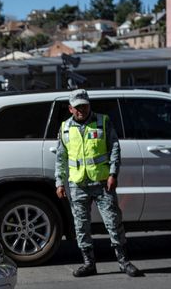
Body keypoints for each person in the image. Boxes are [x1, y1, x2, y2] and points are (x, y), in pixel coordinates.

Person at [55, 89, 142, 277]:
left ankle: (123, 262)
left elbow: (115, 148)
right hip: (77, 184)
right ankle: (88, 263)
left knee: (113, 222)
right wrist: (59, 182)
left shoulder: (103, 122)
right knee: (81, 225)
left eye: (84, 106)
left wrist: (113, 174)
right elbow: (61, 158)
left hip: (102, 183)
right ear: (70, 109)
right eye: (77, 107)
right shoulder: (65, 128)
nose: (82, 110)